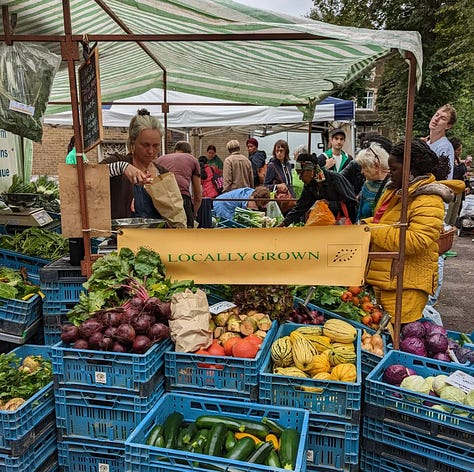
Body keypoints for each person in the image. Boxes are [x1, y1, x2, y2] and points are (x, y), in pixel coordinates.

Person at [363, 139, 465, 324]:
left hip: (406, 284)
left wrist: (370, 230)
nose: (390, 174)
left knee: (399, 336)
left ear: (410, 170)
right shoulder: (397, 190)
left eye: (393, 169)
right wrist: (363, 224)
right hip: (387, 278)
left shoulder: (429, 199)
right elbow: (385, 221)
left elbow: (416, 240)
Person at [102, 109, 165, 219]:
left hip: (158, 234)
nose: (151, 151)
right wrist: (121, 167)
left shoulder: (163, 173)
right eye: (145, 145)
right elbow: (87, 175)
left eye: (155, 145)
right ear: (133, 142)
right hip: (122, 235)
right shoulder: (117, 161)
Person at [278, 153, 358, 227]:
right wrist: (284, 223)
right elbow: (300, 207)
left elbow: (352, 202)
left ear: (311, 171)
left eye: (301, 174)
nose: (300, 178)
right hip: (326, 223)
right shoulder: (310, 186)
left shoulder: (334, 178)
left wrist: (329, 204)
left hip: (345, 224)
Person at [155, 141, 202, 228]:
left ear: (175, 150)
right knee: (185, 233)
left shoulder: (160, 159)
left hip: (161, 198)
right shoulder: (192, 159)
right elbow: (198, 195)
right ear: (190, 152)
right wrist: (193, 213)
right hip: (182, 197)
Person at [354, 142, 390, 220]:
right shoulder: (367, 185)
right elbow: (359, 214)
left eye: (364, 167)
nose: (362, 172)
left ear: (376, 166)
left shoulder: (391, 186)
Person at [263, 139, 296, 213]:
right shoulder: (272, 165)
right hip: (279, 202)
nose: (279, 153)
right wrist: (277, 186)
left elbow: (290, 184)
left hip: (290, 200)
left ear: (286, 152)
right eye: (277, 151)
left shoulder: (288, 164)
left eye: (281, 151)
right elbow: (265, 186)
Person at [425, 104, 457, 180]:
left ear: (448, 126)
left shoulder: (445, 147)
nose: (436, 119)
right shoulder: (426, 144)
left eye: (443, 118)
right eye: (437, 115)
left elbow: (446, 178)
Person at [445, 137, 468, 227]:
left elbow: (464, 176)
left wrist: (467, 186)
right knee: (447, 215)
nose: (460, 152)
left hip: (459, 192)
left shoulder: (459, 162)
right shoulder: (447, 161)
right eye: (458, 150)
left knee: (454, 216)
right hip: (450, 191)